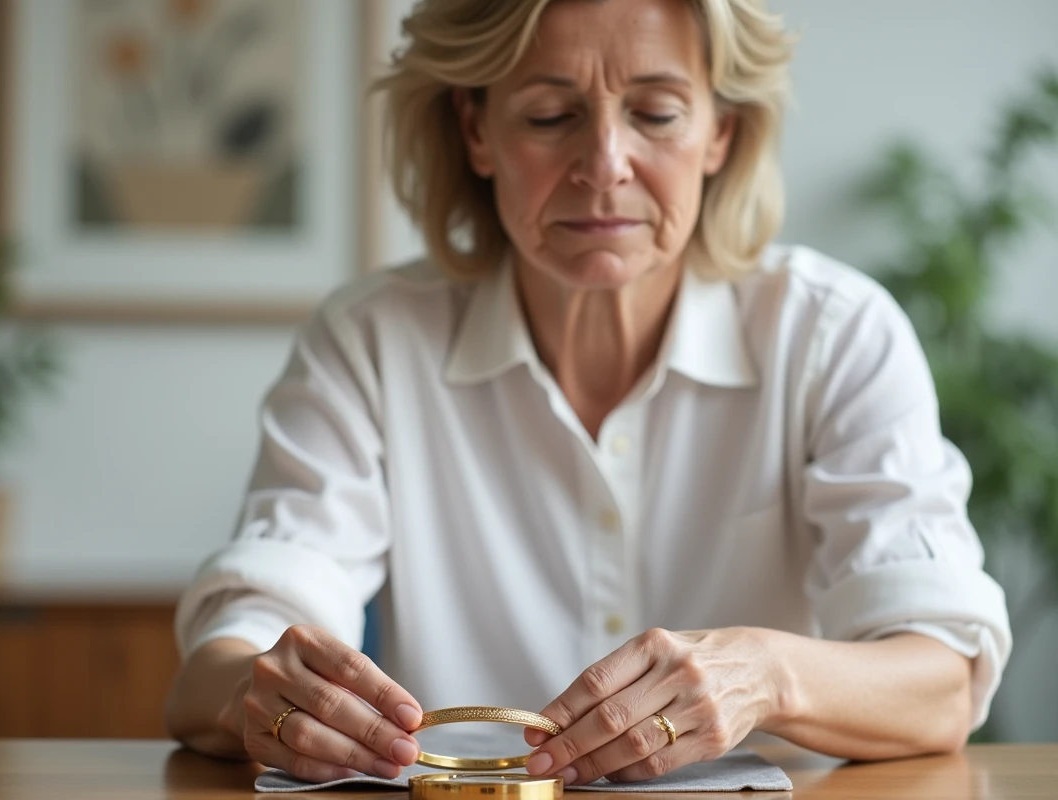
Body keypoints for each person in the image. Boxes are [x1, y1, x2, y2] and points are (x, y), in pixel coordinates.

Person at [165, 0, 1012, 787]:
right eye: (549, 115)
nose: (605, 166)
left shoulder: (835, 334)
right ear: (477, 130)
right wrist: (263, 692)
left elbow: (943, 682)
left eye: (656, 113)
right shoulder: (371, 341)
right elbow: (220, 668)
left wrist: (767, 675)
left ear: (721, 132)